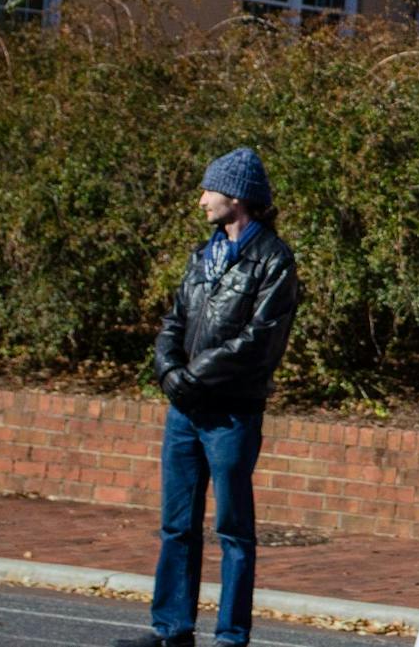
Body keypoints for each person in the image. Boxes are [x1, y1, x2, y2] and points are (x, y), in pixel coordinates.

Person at [115, 148, 301, 647]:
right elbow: (173, 321)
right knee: (177, 525)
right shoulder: (203, 255)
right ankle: (172, 630)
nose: (201, 200)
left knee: (234, 530)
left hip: (231, 415)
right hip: (184, 412)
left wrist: (194, 376)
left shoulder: (274, 261)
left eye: (208, 190)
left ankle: (230, 636)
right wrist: (169, 371)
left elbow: (261, 341)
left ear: (236, 196)